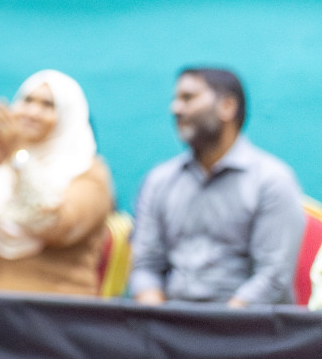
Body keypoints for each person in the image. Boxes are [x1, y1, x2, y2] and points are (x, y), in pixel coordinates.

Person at [130, 67, 303, 307]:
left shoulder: (272, 180)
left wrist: (215, 331)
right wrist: (158, 323)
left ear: (227, 107)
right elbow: (145, 266)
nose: (176, 108)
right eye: (176, 99)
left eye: (188, 98)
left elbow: (273, 278)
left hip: (248, 331)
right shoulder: (159, 180)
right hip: (172, 326)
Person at [0, 70, 115, 296]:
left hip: (54, 313)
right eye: (27, 100)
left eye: (48, 105)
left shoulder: (89, 173)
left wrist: (19, 156)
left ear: (69, 115)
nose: (32, 112)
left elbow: (52, 223)